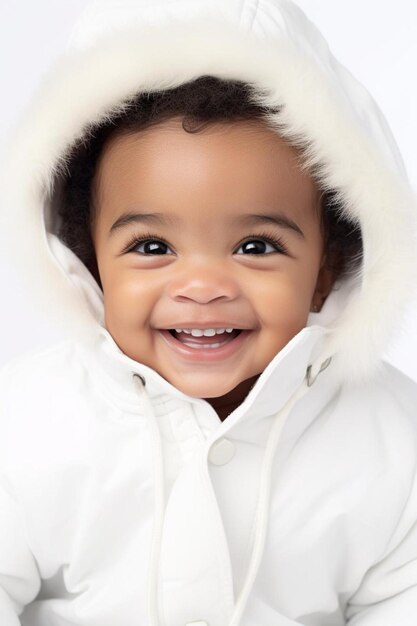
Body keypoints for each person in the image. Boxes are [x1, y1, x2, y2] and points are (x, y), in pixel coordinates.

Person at [0, 1, 417, 625]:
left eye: (255, 247)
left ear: (327, 266)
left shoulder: (392, 440)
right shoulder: (28, 421)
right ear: (90, 261)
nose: (201, 286)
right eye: (151, 247)